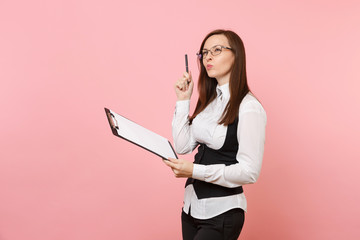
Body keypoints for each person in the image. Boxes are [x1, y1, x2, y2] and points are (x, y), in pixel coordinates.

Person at [163, 29, 267, 240]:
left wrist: (194, 170)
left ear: (236, 55)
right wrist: (183, 100)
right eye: (204, 53)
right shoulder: (209, 102)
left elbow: (249, 172)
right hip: (190, 208)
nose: (208, 57)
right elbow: (183, 146)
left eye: (217, 50)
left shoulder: (249, 107)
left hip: (222, 213)